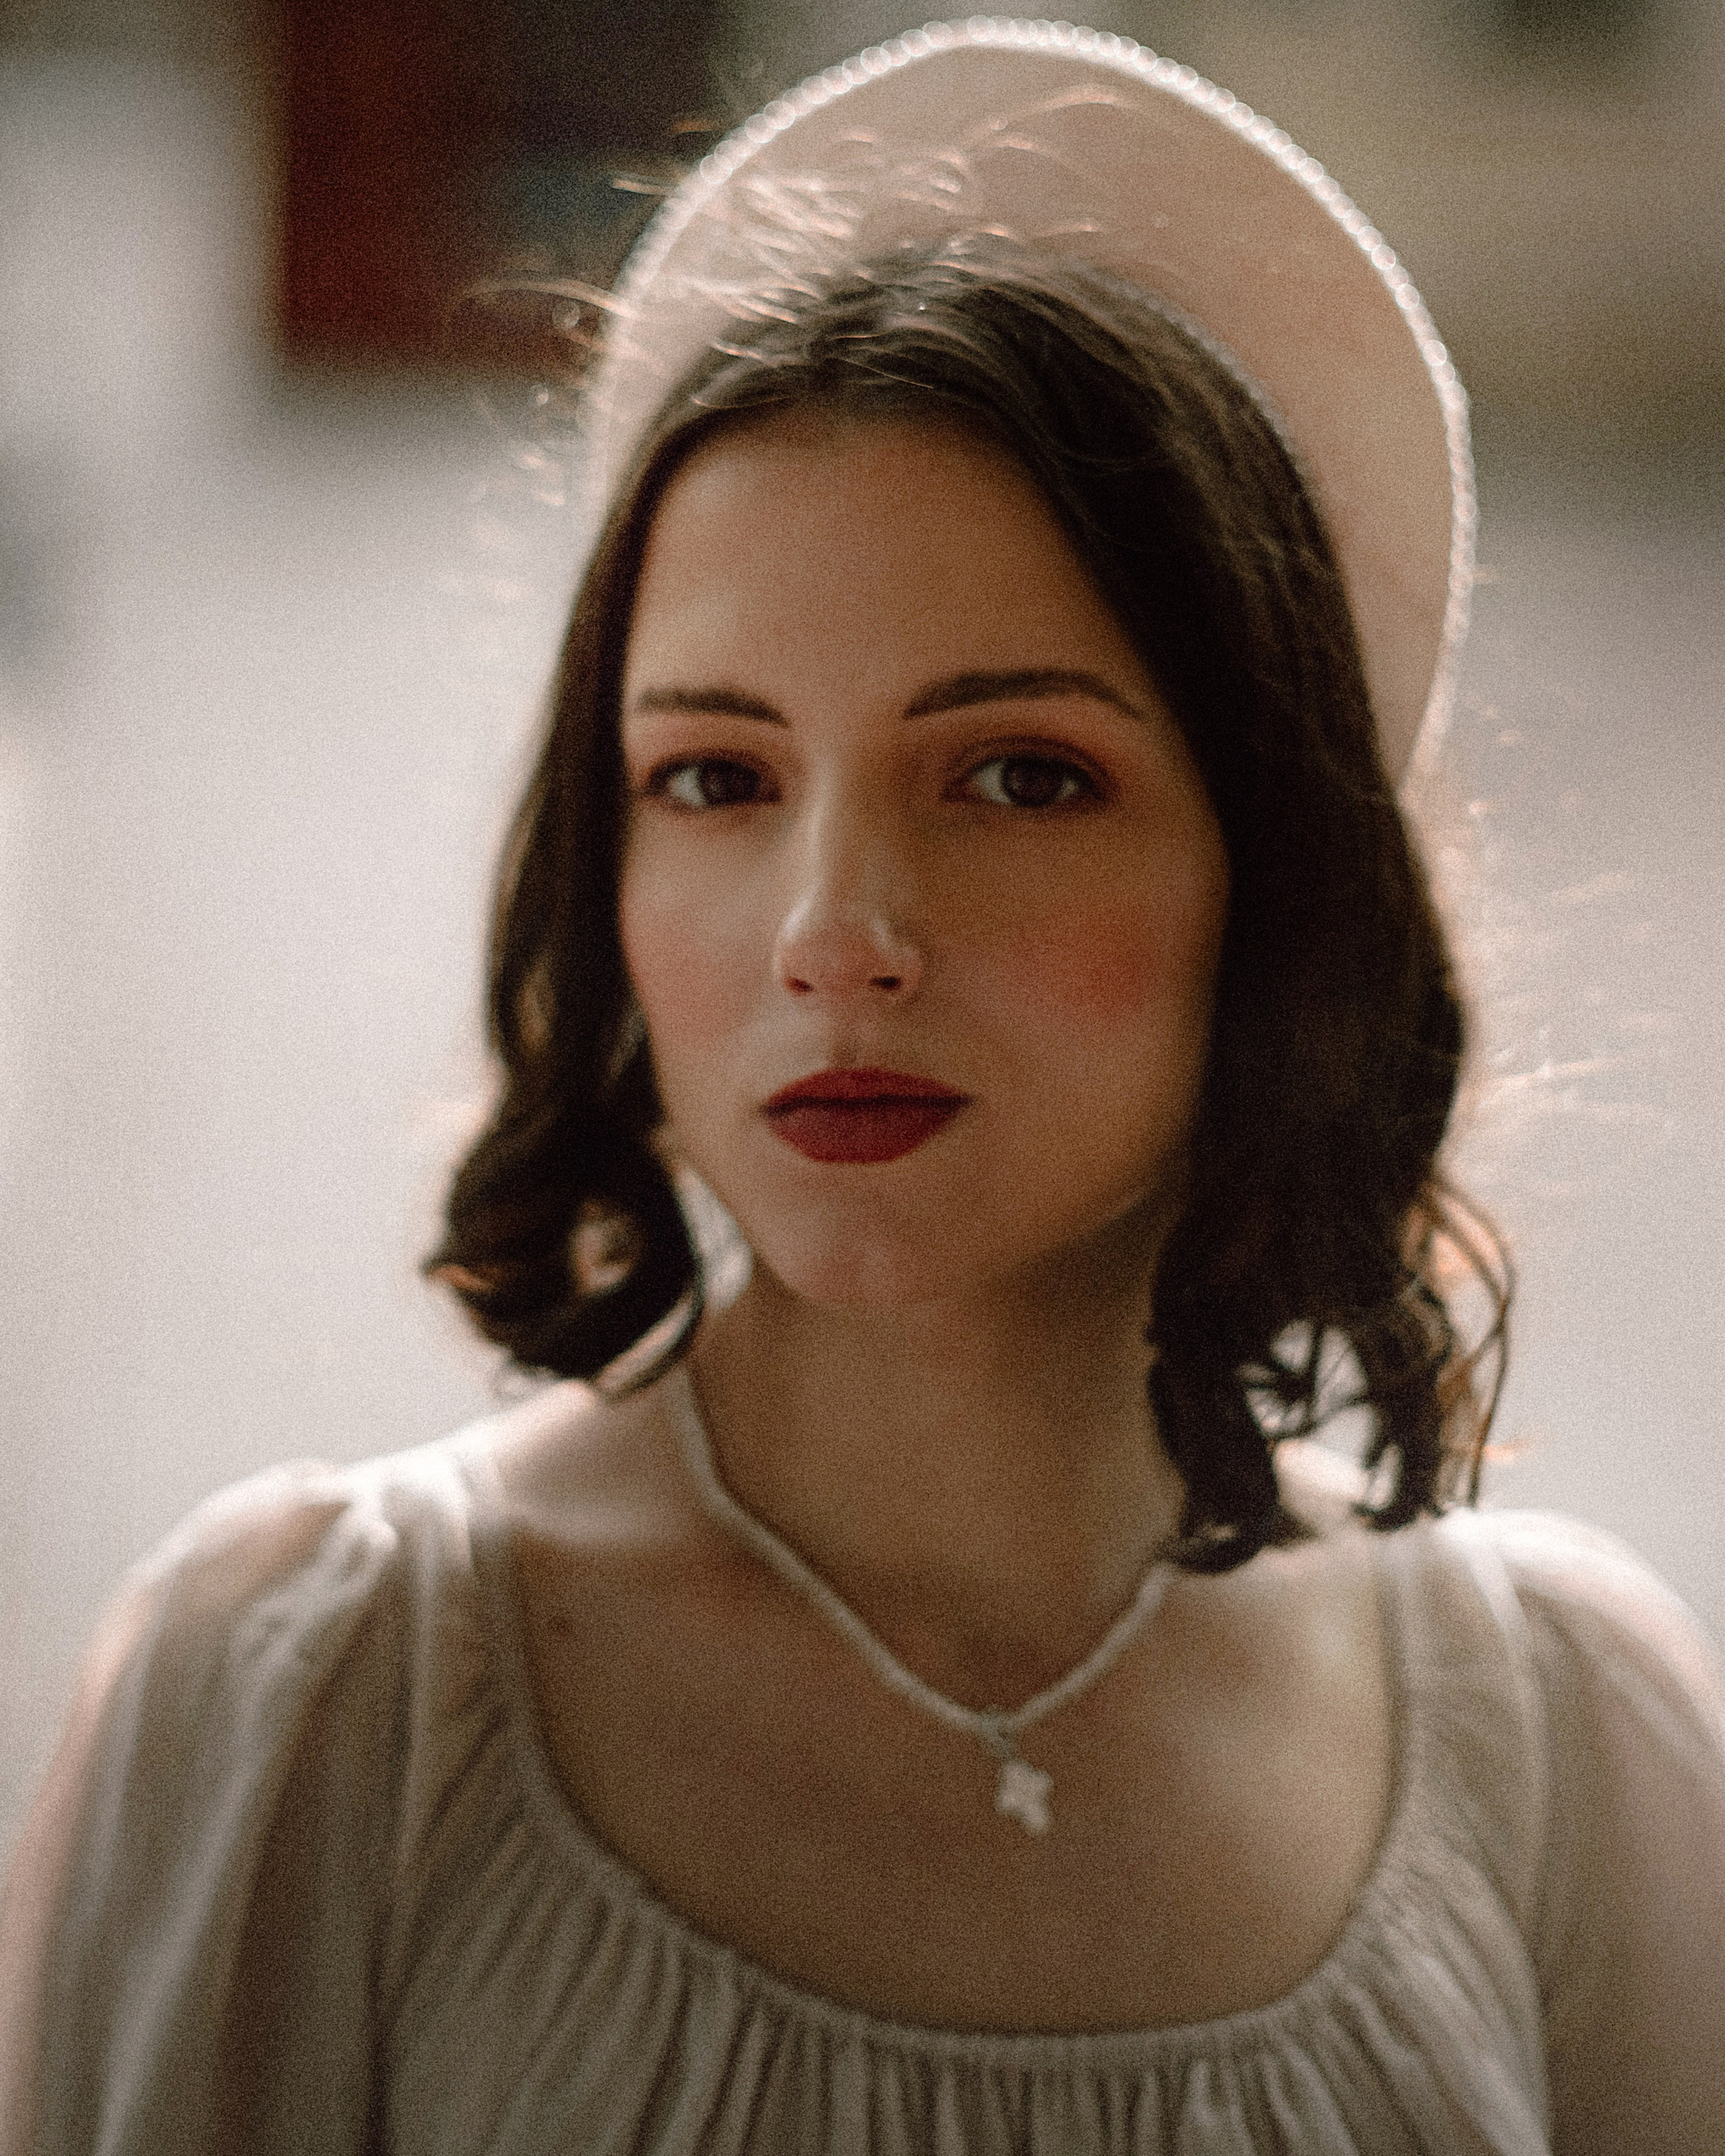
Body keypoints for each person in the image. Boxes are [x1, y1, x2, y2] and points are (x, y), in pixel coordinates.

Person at [4, 22, 1723, 2154]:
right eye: (715, 777)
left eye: (1020, 774)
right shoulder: (319, 1700)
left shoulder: (1568, 1745)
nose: (837, 927)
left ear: (1278, 868)